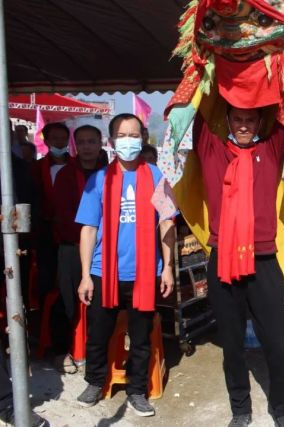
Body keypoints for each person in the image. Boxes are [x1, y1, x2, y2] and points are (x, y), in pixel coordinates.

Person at [194, 105, 284, 427]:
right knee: (232, 344)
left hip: (264, 260)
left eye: (249, 120)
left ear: (259, 122)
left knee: (278, 345)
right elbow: (198, 109)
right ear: (226, 121)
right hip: (223, 257)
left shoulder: (270, 150)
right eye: (237, 119)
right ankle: (240, 410)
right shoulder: (212, 151)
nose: (242, 125)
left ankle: (283, 410)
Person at [75, 114, 176, 417]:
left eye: (134, 135)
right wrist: (84, 276)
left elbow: (167, 223)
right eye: (122, 135)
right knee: (98, 334)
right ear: (112, 141)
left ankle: (136, 391)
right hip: (104, 272)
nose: (129, 140)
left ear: (143, 138)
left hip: (145, 273)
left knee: (141, 337)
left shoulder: (157, 176)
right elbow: (89, 229)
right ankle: (94, 381)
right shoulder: (98, 179)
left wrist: (168, 267)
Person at [50, 125, 106, 374]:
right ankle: (62, 351)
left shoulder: (111, 173)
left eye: (91, 141)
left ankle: (97, 353)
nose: (87, 147)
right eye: (82, 142)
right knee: (67, 300)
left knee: (102, 303)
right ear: (76, 145)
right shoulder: (65, 175)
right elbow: (62, 214)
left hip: (103, 248)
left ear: (100, 143)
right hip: (72, 247)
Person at [32, 123, 71, 311]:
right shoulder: (37, 168)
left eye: (63, 138)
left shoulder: (76, 166)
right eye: (55, 138)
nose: (60, 142)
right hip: (47, 232)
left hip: (72, 234)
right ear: (46, 141)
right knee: (47, 276)